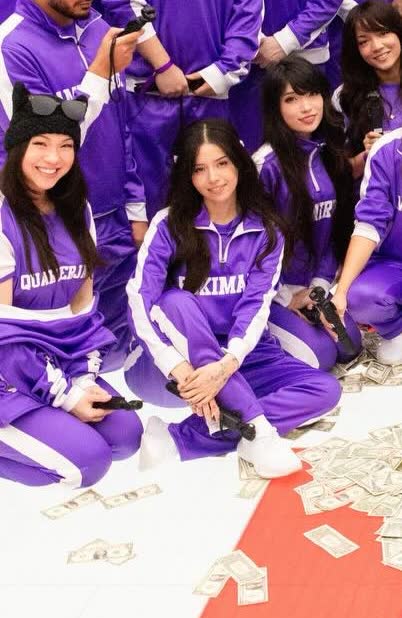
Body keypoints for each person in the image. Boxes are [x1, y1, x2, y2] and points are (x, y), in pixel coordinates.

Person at [124, 118, 341, 479]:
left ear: (239, 163)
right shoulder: (168, 224)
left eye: (222, 163)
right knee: (176, 302)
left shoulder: (267, 230)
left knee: (324, 389)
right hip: (175, 363)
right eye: (199, 169)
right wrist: (180, 368)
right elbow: (140, 301)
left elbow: (256, 306)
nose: (213, 178)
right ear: (188, 176)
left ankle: (179, 437)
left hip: (239, 356)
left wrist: (225, 366)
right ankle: (259, 433)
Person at [0, 82, 142, 487]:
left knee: (125, 436)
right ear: (18, 148)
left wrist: (82, 377)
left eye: (65, 146)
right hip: (7, 366)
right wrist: (65, 396)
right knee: (87, 464)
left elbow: (83, 310)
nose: (54, 158)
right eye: (40, 144)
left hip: (54, 361)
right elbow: (5, 337)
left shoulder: (77, 208)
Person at [0, 0, 147, 368]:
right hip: (52, 225)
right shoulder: (10, 46)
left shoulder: (98, 27)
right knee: (47, 355)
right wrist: (99, 74)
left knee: (110, 359)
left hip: (114, 218)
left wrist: (135, 204)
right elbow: (38, 143)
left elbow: (121, 123)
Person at [98, 0, 264, 219]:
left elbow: (248, 13)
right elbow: (122, 4)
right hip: (146, 97)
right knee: (145, 207)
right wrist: (162, 65)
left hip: (210, 96)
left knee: (217, 200)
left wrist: (221, 73)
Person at [254, 55, 361, 370]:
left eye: (312, 94)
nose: (306, 107)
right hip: (272, 293)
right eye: (292, 99)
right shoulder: (264, 166)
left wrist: (318, 287)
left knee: (349, 345)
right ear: (275, 108)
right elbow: (250, 248)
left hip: (313, 286)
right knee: (319, 357)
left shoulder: (328, 153)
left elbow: (330, 236)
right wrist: (285, 297)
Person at [229, 0, 345, 153]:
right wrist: (247, 38)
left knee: (317, 150)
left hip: (306, 55)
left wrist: (286, 40)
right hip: (242, 62)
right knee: (251, 152)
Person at [332, 127, 402, 365]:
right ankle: (396, 329)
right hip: (393, 265)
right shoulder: (388, 148)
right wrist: (341, 292)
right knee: (358, 297)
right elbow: (369, 223)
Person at [335, 1, 402, 179]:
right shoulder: (347, 96)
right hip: (374, 191)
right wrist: (368, 154)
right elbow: (341, 173)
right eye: (364, 41)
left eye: (383, 33)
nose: (377, 46)